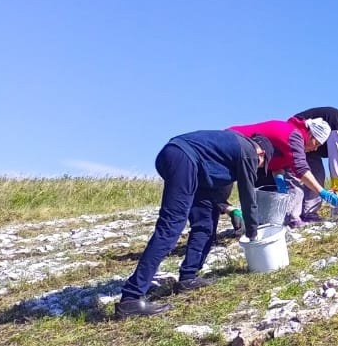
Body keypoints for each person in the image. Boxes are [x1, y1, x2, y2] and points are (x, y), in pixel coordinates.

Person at [115, 130, 270, 318]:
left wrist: (230, 211)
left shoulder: (227, 155)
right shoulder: (249, 151)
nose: (258, 168)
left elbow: (218, 196)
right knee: (170, 227)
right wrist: (253, 232)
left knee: (205, 223)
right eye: (261, 164)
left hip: (185, 163)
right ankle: (131, 298)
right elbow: (248, 194)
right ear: (261, 153)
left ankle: (188, 277)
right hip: (182, 157)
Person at [228, 117, 338, 226]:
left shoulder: (294, 139)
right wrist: (322, 192)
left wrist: (279, 180)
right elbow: (301, 170)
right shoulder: (294, 136)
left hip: (240, 154)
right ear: (311, 135)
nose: (315, 149)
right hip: (232, 144)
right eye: (316, 144)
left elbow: (276, 162)